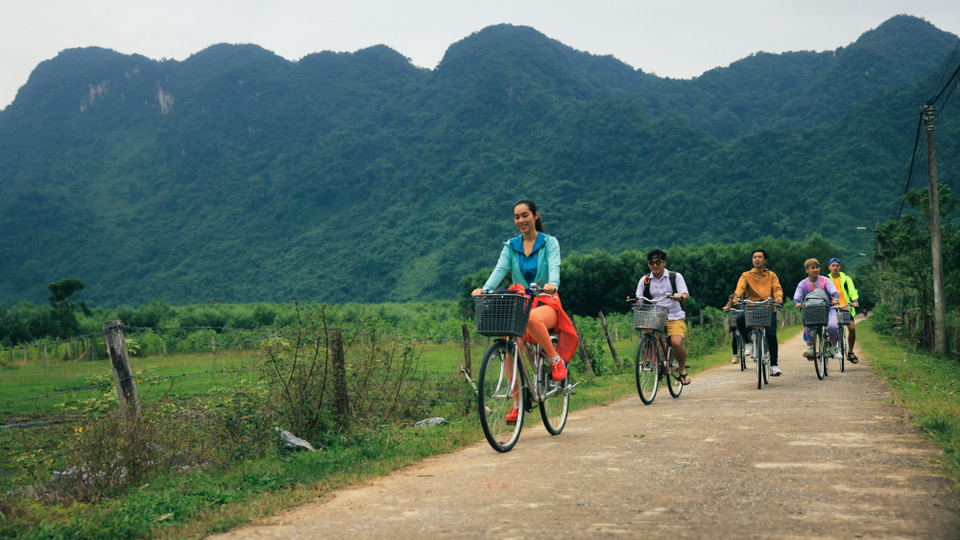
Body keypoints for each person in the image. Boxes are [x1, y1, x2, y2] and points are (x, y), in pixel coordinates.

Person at [471, 199, 579, 424]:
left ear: (535, 216)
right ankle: (517, 403)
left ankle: (554, 358)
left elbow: (554, 267)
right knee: (511, 345)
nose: (521, 220)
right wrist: (485, 289)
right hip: (520, 301)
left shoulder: (549, 242)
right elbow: (499, 270)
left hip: (546, 301)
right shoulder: (511, 246)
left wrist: (552, 283)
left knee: (529, 319)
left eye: (525, 215)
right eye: (516, 217)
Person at [635, 249, 692, 384]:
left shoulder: (675, 277)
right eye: (651, 263)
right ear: (648, 264)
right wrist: (635, 301)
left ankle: (682, 370)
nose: (655, 265)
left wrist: (680, 297)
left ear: (664, 262)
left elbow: (685, 294)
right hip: (656, 314)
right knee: (646, 332)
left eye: (658, 262)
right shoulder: (645, 280)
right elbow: (639, 300)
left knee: (676, 342)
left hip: (674, 314)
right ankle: (649, 360)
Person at [731, 249, 785, 375]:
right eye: (754, 257)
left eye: (760, 257)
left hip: (768, 308)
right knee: (739, 319)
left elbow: (777, 288)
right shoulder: (746, 275)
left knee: (771, 335)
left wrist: (778, 297)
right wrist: (737, 296)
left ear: (765, 260)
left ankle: (774, 365)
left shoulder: (772, 275)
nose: (757, 259)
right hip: (751, 307)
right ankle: (748, 342)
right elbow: (740, 287)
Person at [793, 258, 840, 359]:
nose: (815, 270)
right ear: (807, 270)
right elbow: (797, 297)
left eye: (817, 267)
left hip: (827, 309)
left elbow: (834, 291)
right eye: (812, 268)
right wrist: (797, 303)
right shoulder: (803, 284)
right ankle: (810, 347)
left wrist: (835, 299)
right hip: (810, 310)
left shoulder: (825, 281)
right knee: (807, 326)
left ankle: (833, 346)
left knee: (832, 326)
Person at [827, 258, 860, 363]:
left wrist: (854, 300)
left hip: (845, 307)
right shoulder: (826, 279)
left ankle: (850, 352)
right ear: (829, 267)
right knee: (829, 327)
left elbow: (852, 290)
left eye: (837, 265)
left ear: (840, 267)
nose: (835, 267)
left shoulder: (846, 279)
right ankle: (830, 346)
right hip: (831, 308)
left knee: (852, 328)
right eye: (833, 265)